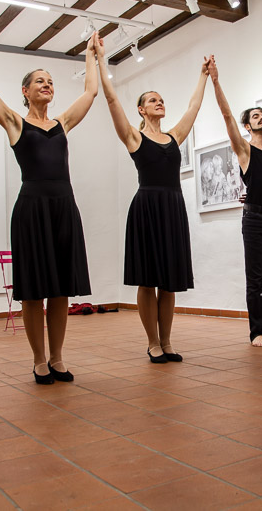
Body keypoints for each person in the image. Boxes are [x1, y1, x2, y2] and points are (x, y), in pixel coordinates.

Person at [0, 23, 98, 384]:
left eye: (50, 81)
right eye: (40, 80)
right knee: (35, 291)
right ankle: (39, 360)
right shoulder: (15, 123)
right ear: (25, 91)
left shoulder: (63, 123)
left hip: (63, 205)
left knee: (60, 290)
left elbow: (91, 92)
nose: (47, 85)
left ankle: (58, 357)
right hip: (32, 209)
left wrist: (90, 54)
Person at [96, 36, 209, 363]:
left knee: (169, 282)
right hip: (146, 209)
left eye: (161, 99)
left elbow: (193, 107)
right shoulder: (134, 136)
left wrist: (203, 76)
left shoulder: (174, 137)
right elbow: (112, 100)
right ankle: (152, 342)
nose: (160, 103)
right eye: (153, 100)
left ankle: (168, 341)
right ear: (142, 109)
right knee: (147, 280)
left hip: (172, 208)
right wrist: (102, 62)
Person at [208, 57, 262, 347]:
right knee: (255, 280)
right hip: (254, 220)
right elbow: (227, 115)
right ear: (247, 125)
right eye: (255, 116)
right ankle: (256, 332)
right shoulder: (244, 150)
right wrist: (216, 81)